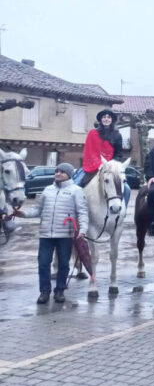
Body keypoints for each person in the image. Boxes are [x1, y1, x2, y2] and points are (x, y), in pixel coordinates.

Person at [13, 163, 89, 304]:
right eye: (56, 171)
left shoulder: (76, 191)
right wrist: (23, 214)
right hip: (46, 235)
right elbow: (37, 209)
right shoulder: (47, 190)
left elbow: (82, 212)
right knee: (43, 263)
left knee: (63, 265)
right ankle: (44, 291)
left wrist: (83, 230)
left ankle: (60, 290)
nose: (58, 174)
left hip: (65, 235)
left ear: (69, 175)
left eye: (62, 172)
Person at [76, 108, 124, 187]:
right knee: (78, 184)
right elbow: (89, 151)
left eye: (108, 117)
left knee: (126, 189)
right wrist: (99, 164)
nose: (106, 119)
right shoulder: (92, 133)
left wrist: (110, 164)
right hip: (93, 166)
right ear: (101, 119)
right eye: (104, 117)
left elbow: (118, 154)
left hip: (110, 167)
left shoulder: (117, 135)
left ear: (112, 120)